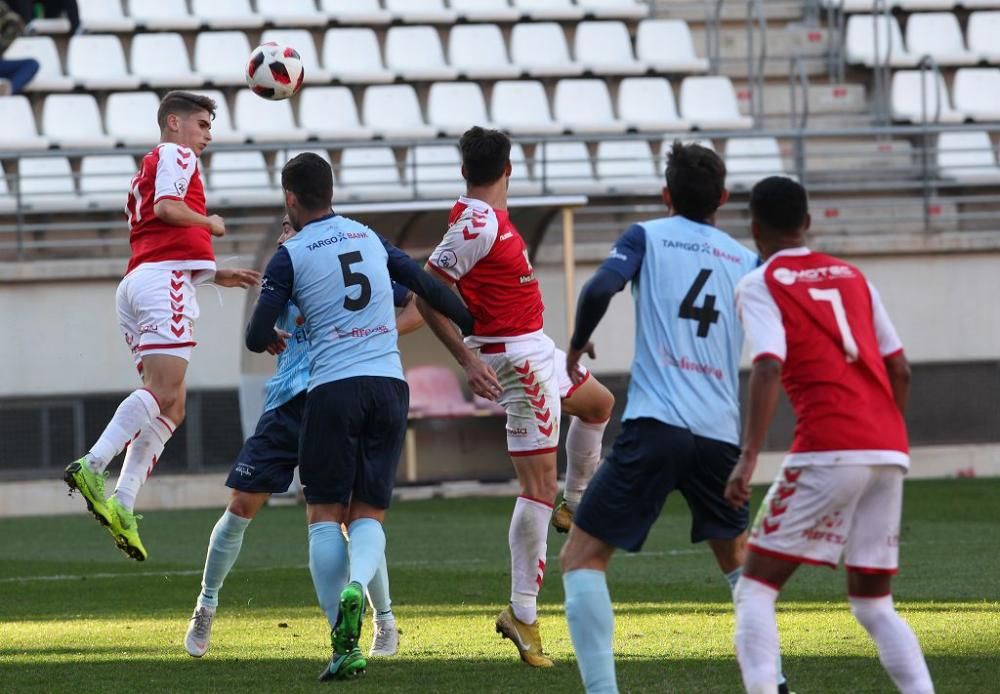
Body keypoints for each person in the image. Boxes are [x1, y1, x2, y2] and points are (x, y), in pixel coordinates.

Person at [244, 152, 496, 682]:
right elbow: (426, 286)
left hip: (334, 391)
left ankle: (343, 638)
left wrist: (270, 334)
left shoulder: (290, 254)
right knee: (369, 515)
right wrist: (471, 323)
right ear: (331, 191)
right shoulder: (368, 237)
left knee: (322, 518)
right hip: (389, 387)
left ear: (291, 198)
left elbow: (254, 333)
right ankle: (364, 584)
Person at [558, 142, 791, 694]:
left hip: (656, 426)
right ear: (724, 199)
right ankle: (774, 683)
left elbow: (600, 286)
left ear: (666, 196)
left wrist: (575, 344)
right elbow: (775, 346)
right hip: (718, 436)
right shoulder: (746, 261)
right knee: (740, 568)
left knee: (582, 557)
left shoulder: (647, 235)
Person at [412, 126, 615, 669]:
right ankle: (522, 612)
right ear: (510, 169)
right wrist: (469, 359)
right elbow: (428, 293)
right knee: (536, 487)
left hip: (538, 349)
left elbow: (426, 297)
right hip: (517, 361)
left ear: (464, 170)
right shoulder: (478, 221)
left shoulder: (488, 218)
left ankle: (575, 502)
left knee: (599, 405)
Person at [725, 177, 934, 694]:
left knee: (754, 586)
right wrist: (884, 437)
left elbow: (769, 366)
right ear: (808, 223)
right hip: (888, 446)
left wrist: (748, 456)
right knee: (873, 603)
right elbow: (901, 368)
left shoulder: (760, 283)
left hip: (830, 444)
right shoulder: (854, 276)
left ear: (754, 229)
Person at [184, 217, 421, 660]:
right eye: (282, 232)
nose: (282, 236)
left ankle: (384, 621)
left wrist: (381, 331)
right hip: (289, 404)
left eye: (289, 228)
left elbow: (415, 305)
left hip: (338, 394)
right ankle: (206, 604)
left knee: (353, 515)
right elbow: (261, 331)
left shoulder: (351, 258)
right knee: (241, 505)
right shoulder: (285, 268)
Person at [64, 91, 260, 562]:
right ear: (173, 122)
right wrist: (209, 222)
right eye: (202, 124)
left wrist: (214, 272)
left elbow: (159, 230)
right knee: (166, 391)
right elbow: (169, 210)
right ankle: (93, 465)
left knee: (173, 406)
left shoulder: (151, 164)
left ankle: (123, 503)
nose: (207, 135)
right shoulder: (175, 154)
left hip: (141, 279)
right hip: (161, 283)